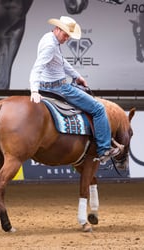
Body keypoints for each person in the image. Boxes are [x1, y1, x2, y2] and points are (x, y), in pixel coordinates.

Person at [29, 15, 119, 163]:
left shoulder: (49, 38)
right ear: (57, 29)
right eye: (65, 35)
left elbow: (61, 62)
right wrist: (33, 90)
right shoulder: (51, 45)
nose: (67, 39)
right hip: (60, 88)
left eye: (69, 36)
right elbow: (37, 68)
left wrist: (77, 76)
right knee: (98, 109)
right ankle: (104, 149)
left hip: (48, 87)